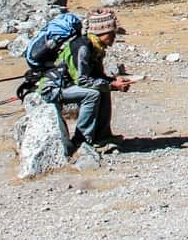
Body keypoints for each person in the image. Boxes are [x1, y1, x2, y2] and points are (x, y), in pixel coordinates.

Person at [31, 9, 133, 152]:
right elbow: (83, 81)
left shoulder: (96, 47)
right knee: (92, 94)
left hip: (66, 85)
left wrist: (113, 82)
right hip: (53, 88)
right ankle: (82, 140)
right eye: (112, 33)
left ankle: (102, 136)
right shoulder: (83, 48)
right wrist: (111, 84)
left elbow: (96, 76)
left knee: (104, 90)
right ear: (102, 33)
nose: (114, 37)